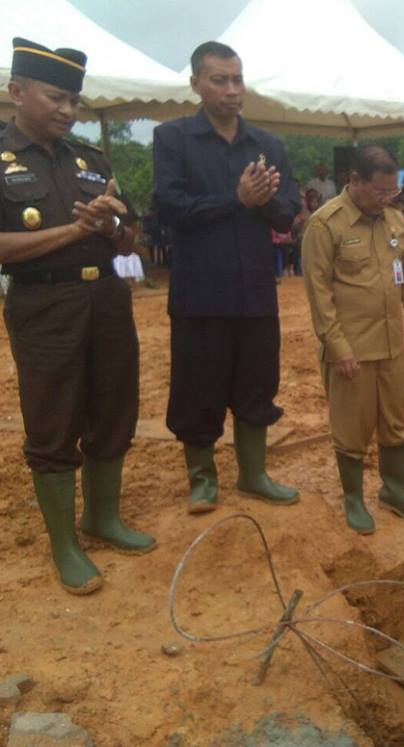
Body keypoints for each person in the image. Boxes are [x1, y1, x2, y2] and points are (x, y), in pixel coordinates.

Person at [0, 38, 155, 594]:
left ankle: (102, 518)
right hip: (44, 306)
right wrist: (75, 230)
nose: (68, 110)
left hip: (107, 300)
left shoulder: (92, 160)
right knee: (54, 418)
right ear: (17, 92)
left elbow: (130, 237)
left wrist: (114, 226)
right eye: (56, 97)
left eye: (75, 101)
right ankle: (64, 544)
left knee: (113, 408)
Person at [153, 41, 301, 514]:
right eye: (220, 80)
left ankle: (254, 475)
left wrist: (264, 202)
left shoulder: (267, 145)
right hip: (200, 293)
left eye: (238, 79)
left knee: (257, 383)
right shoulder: (173, 139)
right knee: (198, 387)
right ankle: (202, 480)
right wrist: (235, 199)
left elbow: (286, 214)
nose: (232, 90)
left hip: (255, 291)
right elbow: (171, 209)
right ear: (195, 83)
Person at [301, 145, 404, 534]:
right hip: (351, 350)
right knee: (351, 427)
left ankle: (395, 491)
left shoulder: (392, 221)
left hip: (391, 346)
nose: (387, 199)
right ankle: (354, 499)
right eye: (379, 191)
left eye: (391, 192)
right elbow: (318, 294)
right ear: (354, 181)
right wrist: (337, 346)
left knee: (395, 422)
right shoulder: (326, 225)